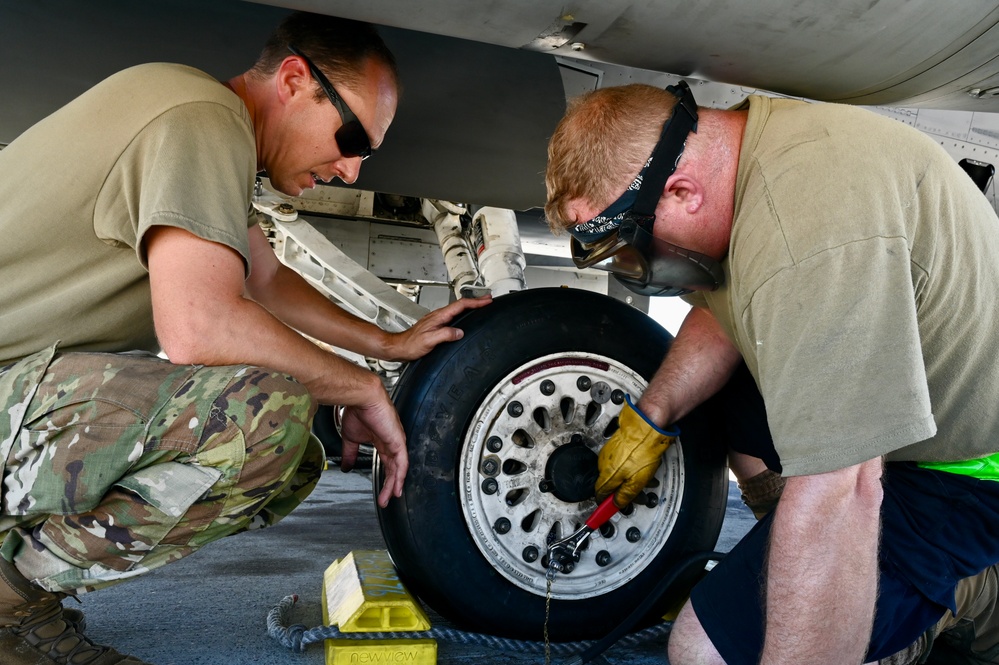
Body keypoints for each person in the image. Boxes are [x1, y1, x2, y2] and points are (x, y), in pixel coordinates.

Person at [0, 11, 488, 665]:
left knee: (283, 435)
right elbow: (199, 327)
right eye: (350, 138)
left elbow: (264, 279)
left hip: (15, 388)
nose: (350, 169)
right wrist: (358, 386)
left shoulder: (194, 115)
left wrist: (384, 344)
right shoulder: (201, 119)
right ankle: (9, 593)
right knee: (266, 419)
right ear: (293, 80)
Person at [544, 81, 999, 664]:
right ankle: (803, 547)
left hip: (962, 469)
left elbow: (845, 490)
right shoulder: (747, 157)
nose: (636, 267)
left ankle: (966, 593)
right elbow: (728, 317)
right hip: (908, 424)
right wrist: (651, 417)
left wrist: (808, 609)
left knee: (707, 653)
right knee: (721, 400)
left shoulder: (805, 236)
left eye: (628, 247)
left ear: (682, 193)